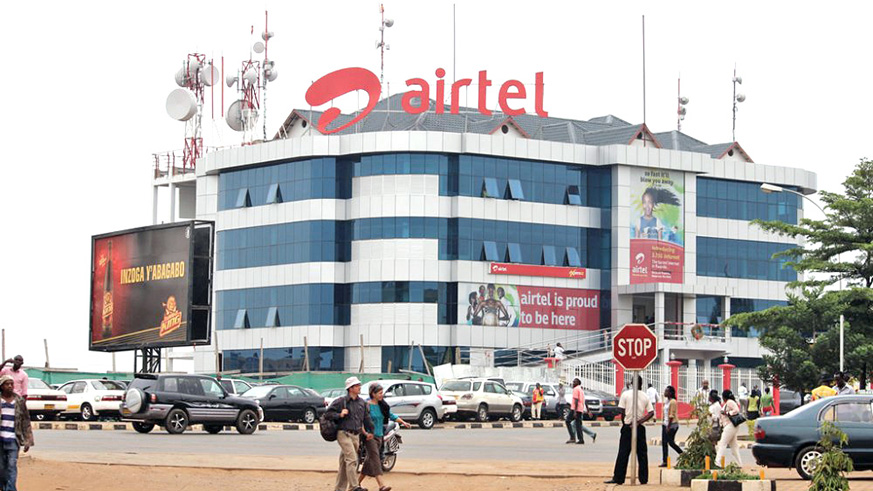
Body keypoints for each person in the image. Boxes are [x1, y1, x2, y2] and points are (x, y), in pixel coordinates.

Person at [324, 377, 374, 491]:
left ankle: (339, 489)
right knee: (352, 459)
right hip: (344, 433)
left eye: (359, 385)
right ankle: (354, 486)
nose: (359, 387)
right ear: (350, 388)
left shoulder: (362, 402)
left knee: (344, 463)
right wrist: (339, 415)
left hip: (356, 436)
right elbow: (327, 414)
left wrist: (371, 431)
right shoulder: (340, 402)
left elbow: (366, 418)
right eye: (357, 386)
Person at [359, 383, 411, 491]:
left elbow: (392, 415)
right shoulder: (366, 406)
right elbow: (361, 421)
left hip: (380, 436)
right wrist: (365, 433)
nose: (382, 395)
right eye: (379, 393)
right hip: (370, 437)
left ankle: (355, 484)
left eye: (382, 393)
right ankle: (381, 485)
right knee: (375, 459)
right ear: (373, 393)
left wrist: (404, 422)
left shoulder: (382, 405)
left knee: (369, 462)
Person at [605, 376, 654, 485]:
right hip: (640, 427)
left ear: (631, 383)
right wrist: (639, 422)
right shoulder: (645, 396)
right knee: (642, 454)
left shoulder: (625, 395)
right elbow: (651, 413)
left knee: (623, 453)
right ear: (641, 384)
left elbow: (621, 410)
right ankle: (643, 479)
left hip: (628, 426)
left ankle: (618, 478)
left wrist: (625, 423)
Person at [0, 375, 33, 491]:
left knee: (11, 466)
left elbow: (26, 421)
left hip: (13, 440)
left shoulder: (19, 401)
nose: (10, 386)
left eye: (11, 384)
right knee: (2, 468)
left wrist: (28, 439)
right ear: (2, 386)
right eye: (6, 384)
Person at [715, 389, 743, 468]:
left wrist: (727, 413)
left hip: (730, 426)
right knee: (734, 447)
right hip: (729, 426)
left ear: (724, 397)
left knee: (722, 443)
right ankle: (739, 464)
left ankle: (717, 462)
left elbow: (737, 410)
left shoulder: (730, 402)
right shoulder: (727, 403)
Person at [565, 378, 596, 445]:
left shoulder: (576, 389)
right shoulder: (581, 390)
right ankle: (581, 439)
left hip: (575, 409)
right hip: (580, 409)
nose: (573, 383)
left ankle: (572, 437)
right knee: (578, 425)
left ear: (578, 383)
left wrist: (575, 411)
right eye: (573, 382)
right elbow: (585, 401)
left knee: (568, 421)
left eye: (574, 382)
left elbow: (576, 400)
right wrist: (588, 411)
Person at [660, 385, 683, 467]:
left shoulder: (673, 401)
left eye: (666, 391)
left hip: (672, 425)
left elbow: (671, 415)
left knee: (671, 442)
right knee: (664, 443)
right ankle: (665, 461)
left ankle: (683, 455)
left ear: (670, 393)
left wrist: (668, 426)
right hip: (665, 424)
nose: (665, 392)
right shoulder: (667, 401)